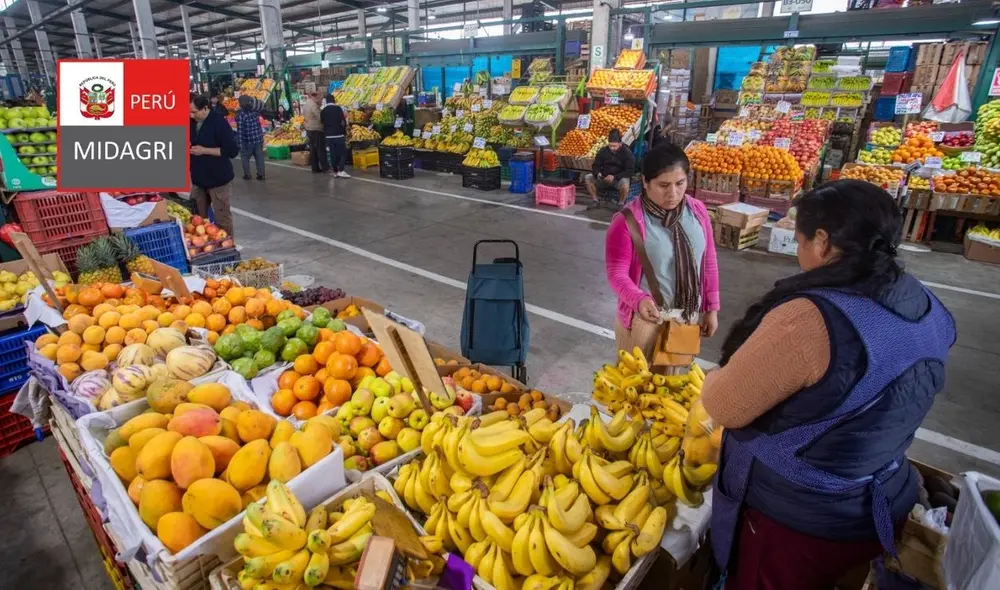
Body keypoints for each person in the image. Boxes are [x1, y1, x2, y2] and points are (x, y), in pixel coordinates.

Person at [703, 180, 956, 590]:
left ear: (822, 241)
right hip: (881, 503)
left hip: (800, 523)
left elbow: (725, 404)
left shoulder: (811, 319)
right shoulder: (926, 303)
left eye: (800, 238)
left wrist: (715, 379)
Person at [605, 144, 719, 364]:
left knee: (675, 389)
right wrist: (638, 300)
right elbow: (616, 273)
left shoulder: (697, 211)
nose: (673, 193)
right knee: (636, 392)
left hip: (686, 318)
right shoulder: (627, 221)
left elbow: (708, 261)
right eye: (663, 185)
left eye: (680, 183)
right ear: (646, 183)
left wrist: (711, 307)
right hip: (645, 320)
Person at [189, 94, 240, 236]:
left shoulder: (219, 123)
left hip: (219, 180)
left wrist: (204, 150)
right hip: (199, 178)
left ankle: (228, 248)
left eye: (194, 112)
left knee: (222, 219)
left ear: (205, 108)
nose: (191, 115)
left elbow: (232, 151)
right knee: (195, 217)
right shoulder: (190, 122)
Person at [586, 129, 635, 209]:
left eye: (614, 146)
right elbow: (595, 165)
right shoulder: (603, 151)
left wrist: (615, 177)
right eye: (610, 145)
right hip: (604, 178)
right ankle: (595, 200)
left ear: (620, 143)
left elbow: (630, 170)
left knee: (625, 184)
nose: (612, 148)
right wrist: (598, 173)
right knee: (588, 178)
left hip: (618, 179)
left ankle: (621, 204)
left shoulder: (627, 153)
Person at [236, 96, 265, 181]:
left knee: (244, 157)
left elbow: (240, 131)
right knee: (259, 157)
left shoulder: (240, 115)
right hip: (258, 138)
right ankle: (261, 174)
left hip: (248, 141)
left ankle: (247, 174)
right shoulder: (255, 110)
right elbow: (261, 103)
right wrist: (253, 101)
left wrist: (240, 144)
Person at [321, 93, 349, 178]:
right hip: (339, 135)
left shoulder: (323, 111)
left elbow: (322, 123)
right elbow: (343, 122)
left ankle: (335, 171)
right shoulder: (338, 109)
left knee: (333, 154)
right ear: (334, 100)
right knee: (342, 153)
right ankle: (341, 170)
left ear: (326, 101)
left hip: (329, 136)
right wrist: (344, 132)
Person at [303, 92, 327, 173]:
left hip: (308, 129)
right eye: (320, 99)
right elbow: (320, 118)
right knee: (321, 149)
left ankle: (315, 168)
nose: (321, 101)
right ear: (316, 97)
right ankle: (325, 167)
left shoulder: (307, 103)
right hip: (316, 129)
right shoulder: (314, 105)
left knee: (313, 150)